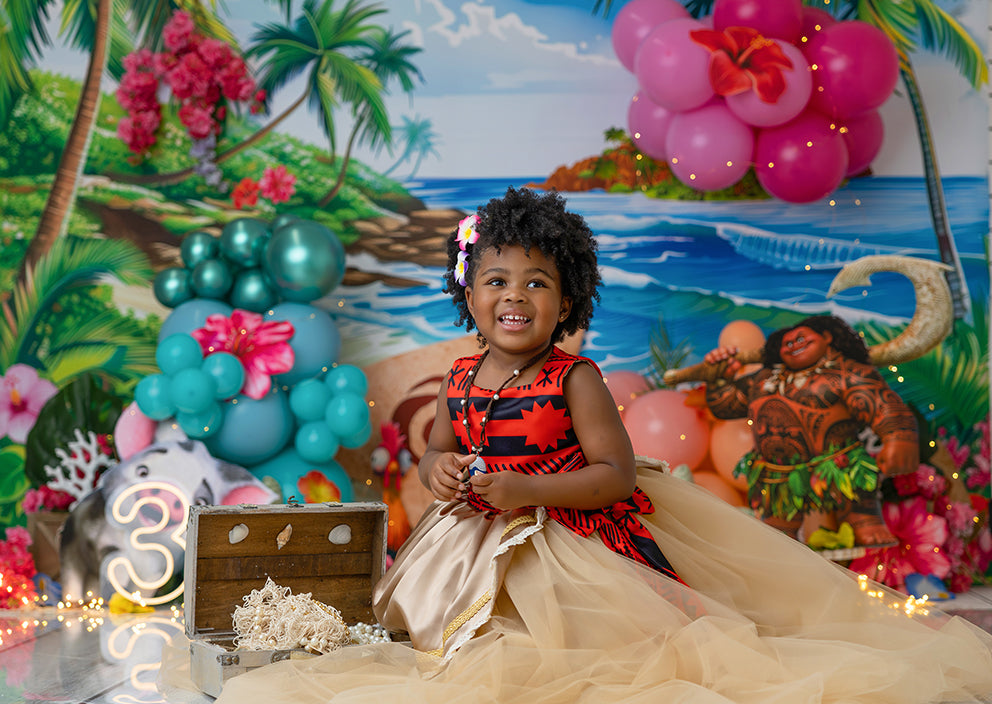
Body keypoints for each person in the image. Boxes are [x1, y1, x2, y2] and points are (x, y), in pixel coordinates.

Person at [203, 188, 992, 704]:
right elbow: (440, 448)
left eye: (537, 282)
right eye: (496, 280)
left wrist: (528, 492)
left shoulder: (573, 379)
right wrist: (442, 466)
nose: (515, 296)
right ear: (468, 296)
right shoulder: (462, 374)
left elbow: (614, 478)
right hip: (468, 544)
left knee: (575, 662)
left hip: (567, 537)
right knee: (430, 651)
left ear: (568, 299)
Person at [704, 315, 919, 549]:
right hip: (779, 477)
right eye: (787, 343)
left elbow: (880, 404)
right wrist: (717, 381)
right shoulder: (765, 378)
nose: (794, 344)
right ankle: (780, 539)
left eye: (801, 338)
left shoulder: (846, 372)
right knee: (777, 539)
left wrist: (899, 438)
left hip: (838, 467)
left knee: (860, 514)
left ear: (827, 337)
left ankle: (865, 520)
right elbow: (727, 406)